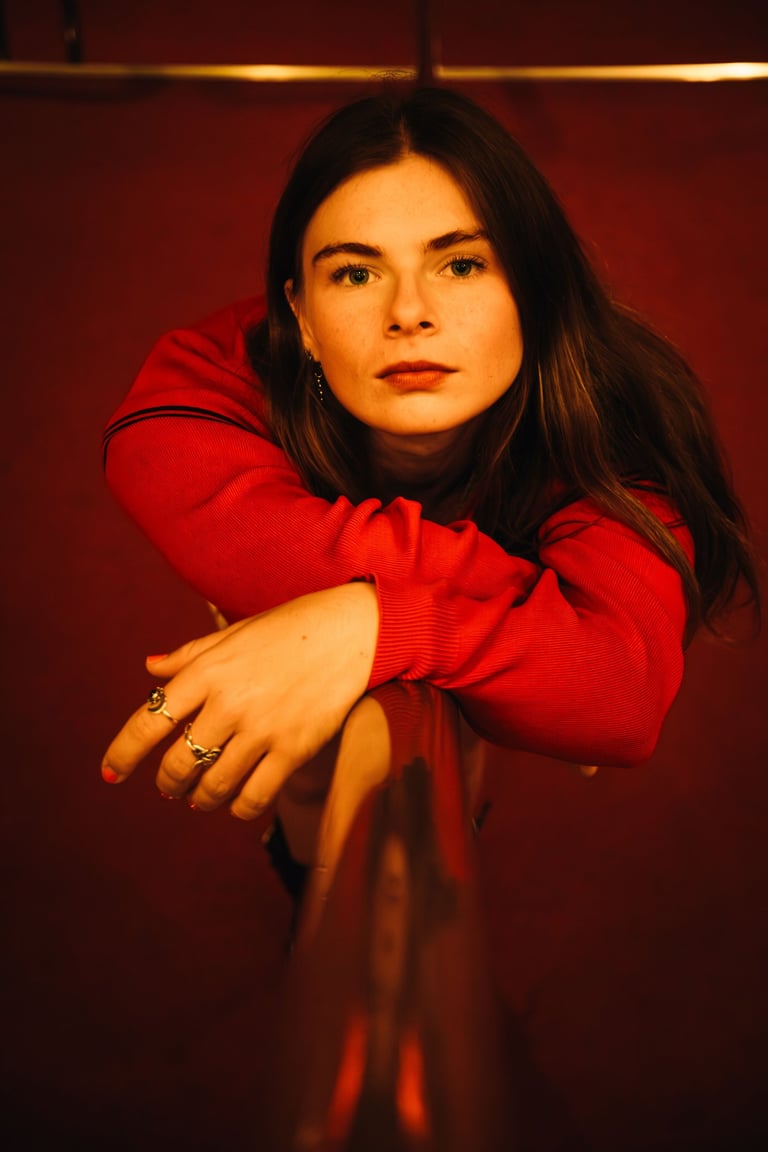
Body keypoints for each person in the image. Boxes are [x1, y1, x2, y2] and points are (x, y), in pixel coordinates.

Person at [100, 86, 758, 871]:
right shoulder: (205, 386)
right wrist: (544, 624)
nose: (409, 313)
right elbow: (592, 669)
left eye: (461, 264)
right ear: (300, 315)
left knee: (430, 716)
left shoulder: (615, 435)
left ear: (536, 290)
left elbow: (617, 699)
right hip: (361, 654)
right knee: (306, 725)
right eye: (355, 274)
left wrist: (375, 625)